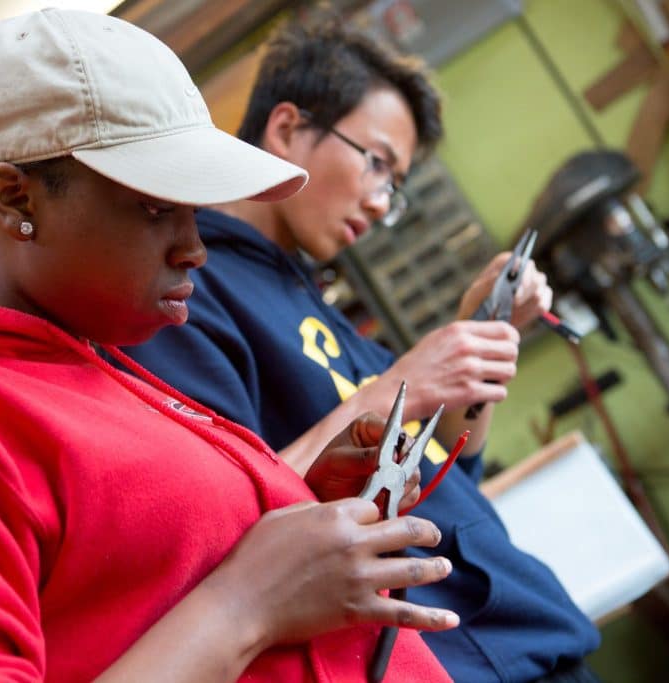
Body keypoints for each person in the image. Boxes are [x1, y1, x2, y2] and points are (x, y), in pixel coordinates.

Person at [0, 9, 462, 682]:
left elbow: (129, 595)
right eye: (156, 207)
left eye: (194, 211)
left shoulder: (88, 366)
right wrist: (244, 604)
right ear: (16, 199)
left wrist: (285, 506)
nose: (194, 248)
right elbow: (233, 602)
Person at [122, 8, 602, 683]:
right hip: (452, 660)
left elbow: (446, 476)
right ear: (287, 128)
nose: (380, 201)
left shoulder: (305, 294)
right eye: (377, 164)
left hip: (529, 637)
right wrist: (399, 385)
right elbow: (225, 527)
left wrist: (479, 340)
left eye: (394, 187)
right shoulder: (191, 292)